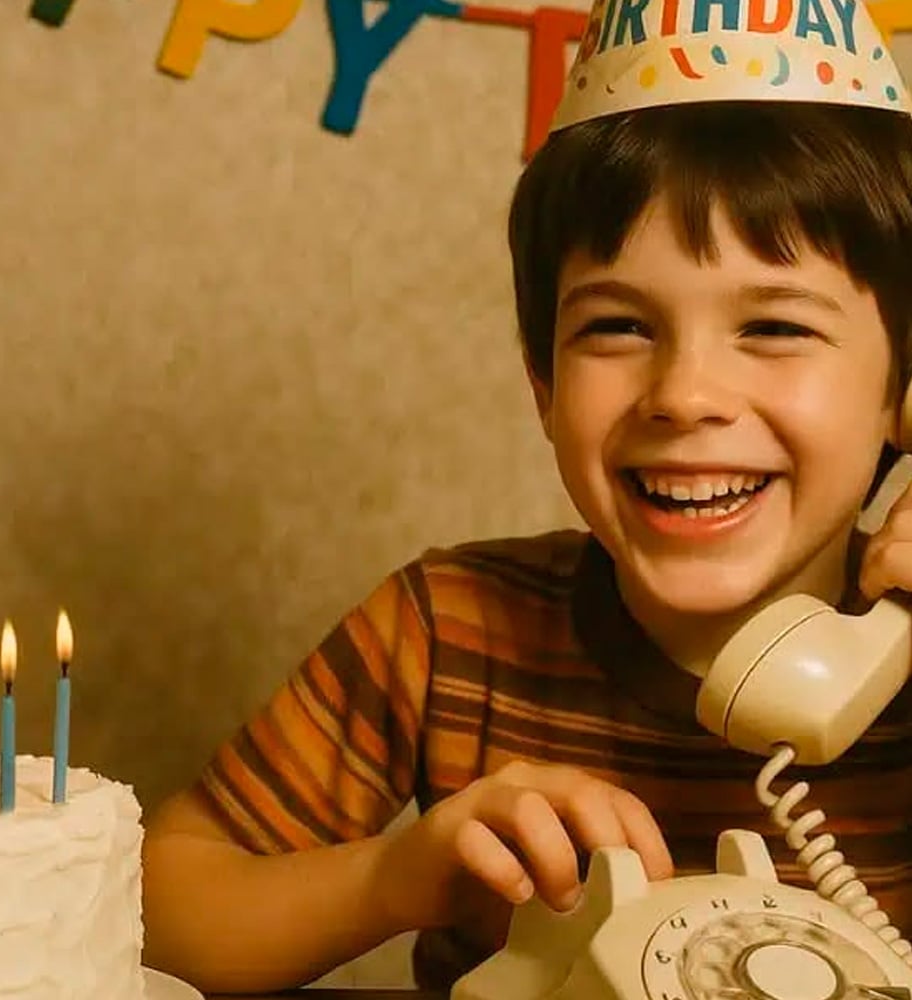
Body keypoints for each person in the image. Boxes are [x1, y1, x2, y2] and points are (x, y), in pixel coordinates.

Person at [141, 1, 912, 994]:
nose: (682, 394)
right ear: (543, 385)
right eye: (617, 327)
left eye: (773, 327)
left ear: (901, 395)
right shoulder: (444, 628)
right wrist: (393, 876)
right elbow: (156, 906)